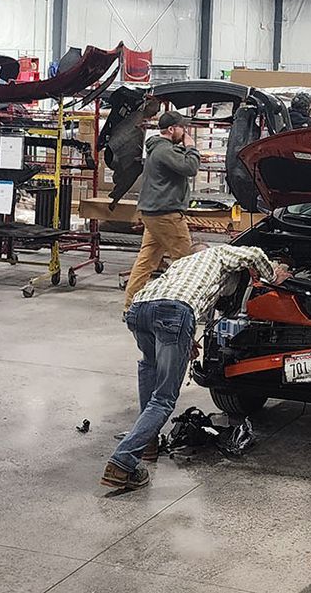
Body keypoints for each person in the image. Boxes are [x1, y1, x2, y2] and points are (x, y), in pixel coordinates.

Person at [101, 244, 291, 491]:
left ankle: (147, 443)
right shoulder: (219, 253)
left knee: (151, 366)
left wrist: (185, 340)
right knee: (164, 399)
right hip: (174, 312)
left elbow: (168, 304)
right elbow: (255, 253)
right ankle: (122, 463)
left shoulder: (181, 264)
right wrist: (272, 276)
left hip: (140, 309)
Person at [125, 109, 201, 308]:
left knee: (146, 261)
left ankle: (130, 305)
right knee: (185, 262)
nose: (184, 132)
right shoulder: (165, 150)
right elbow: (190, 168)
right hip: (166, 214)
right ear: (171, 129)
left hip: (153, 213)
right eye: (182, 128)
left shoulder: (156, 148)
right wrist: (191, 148)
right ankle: (184, 306)